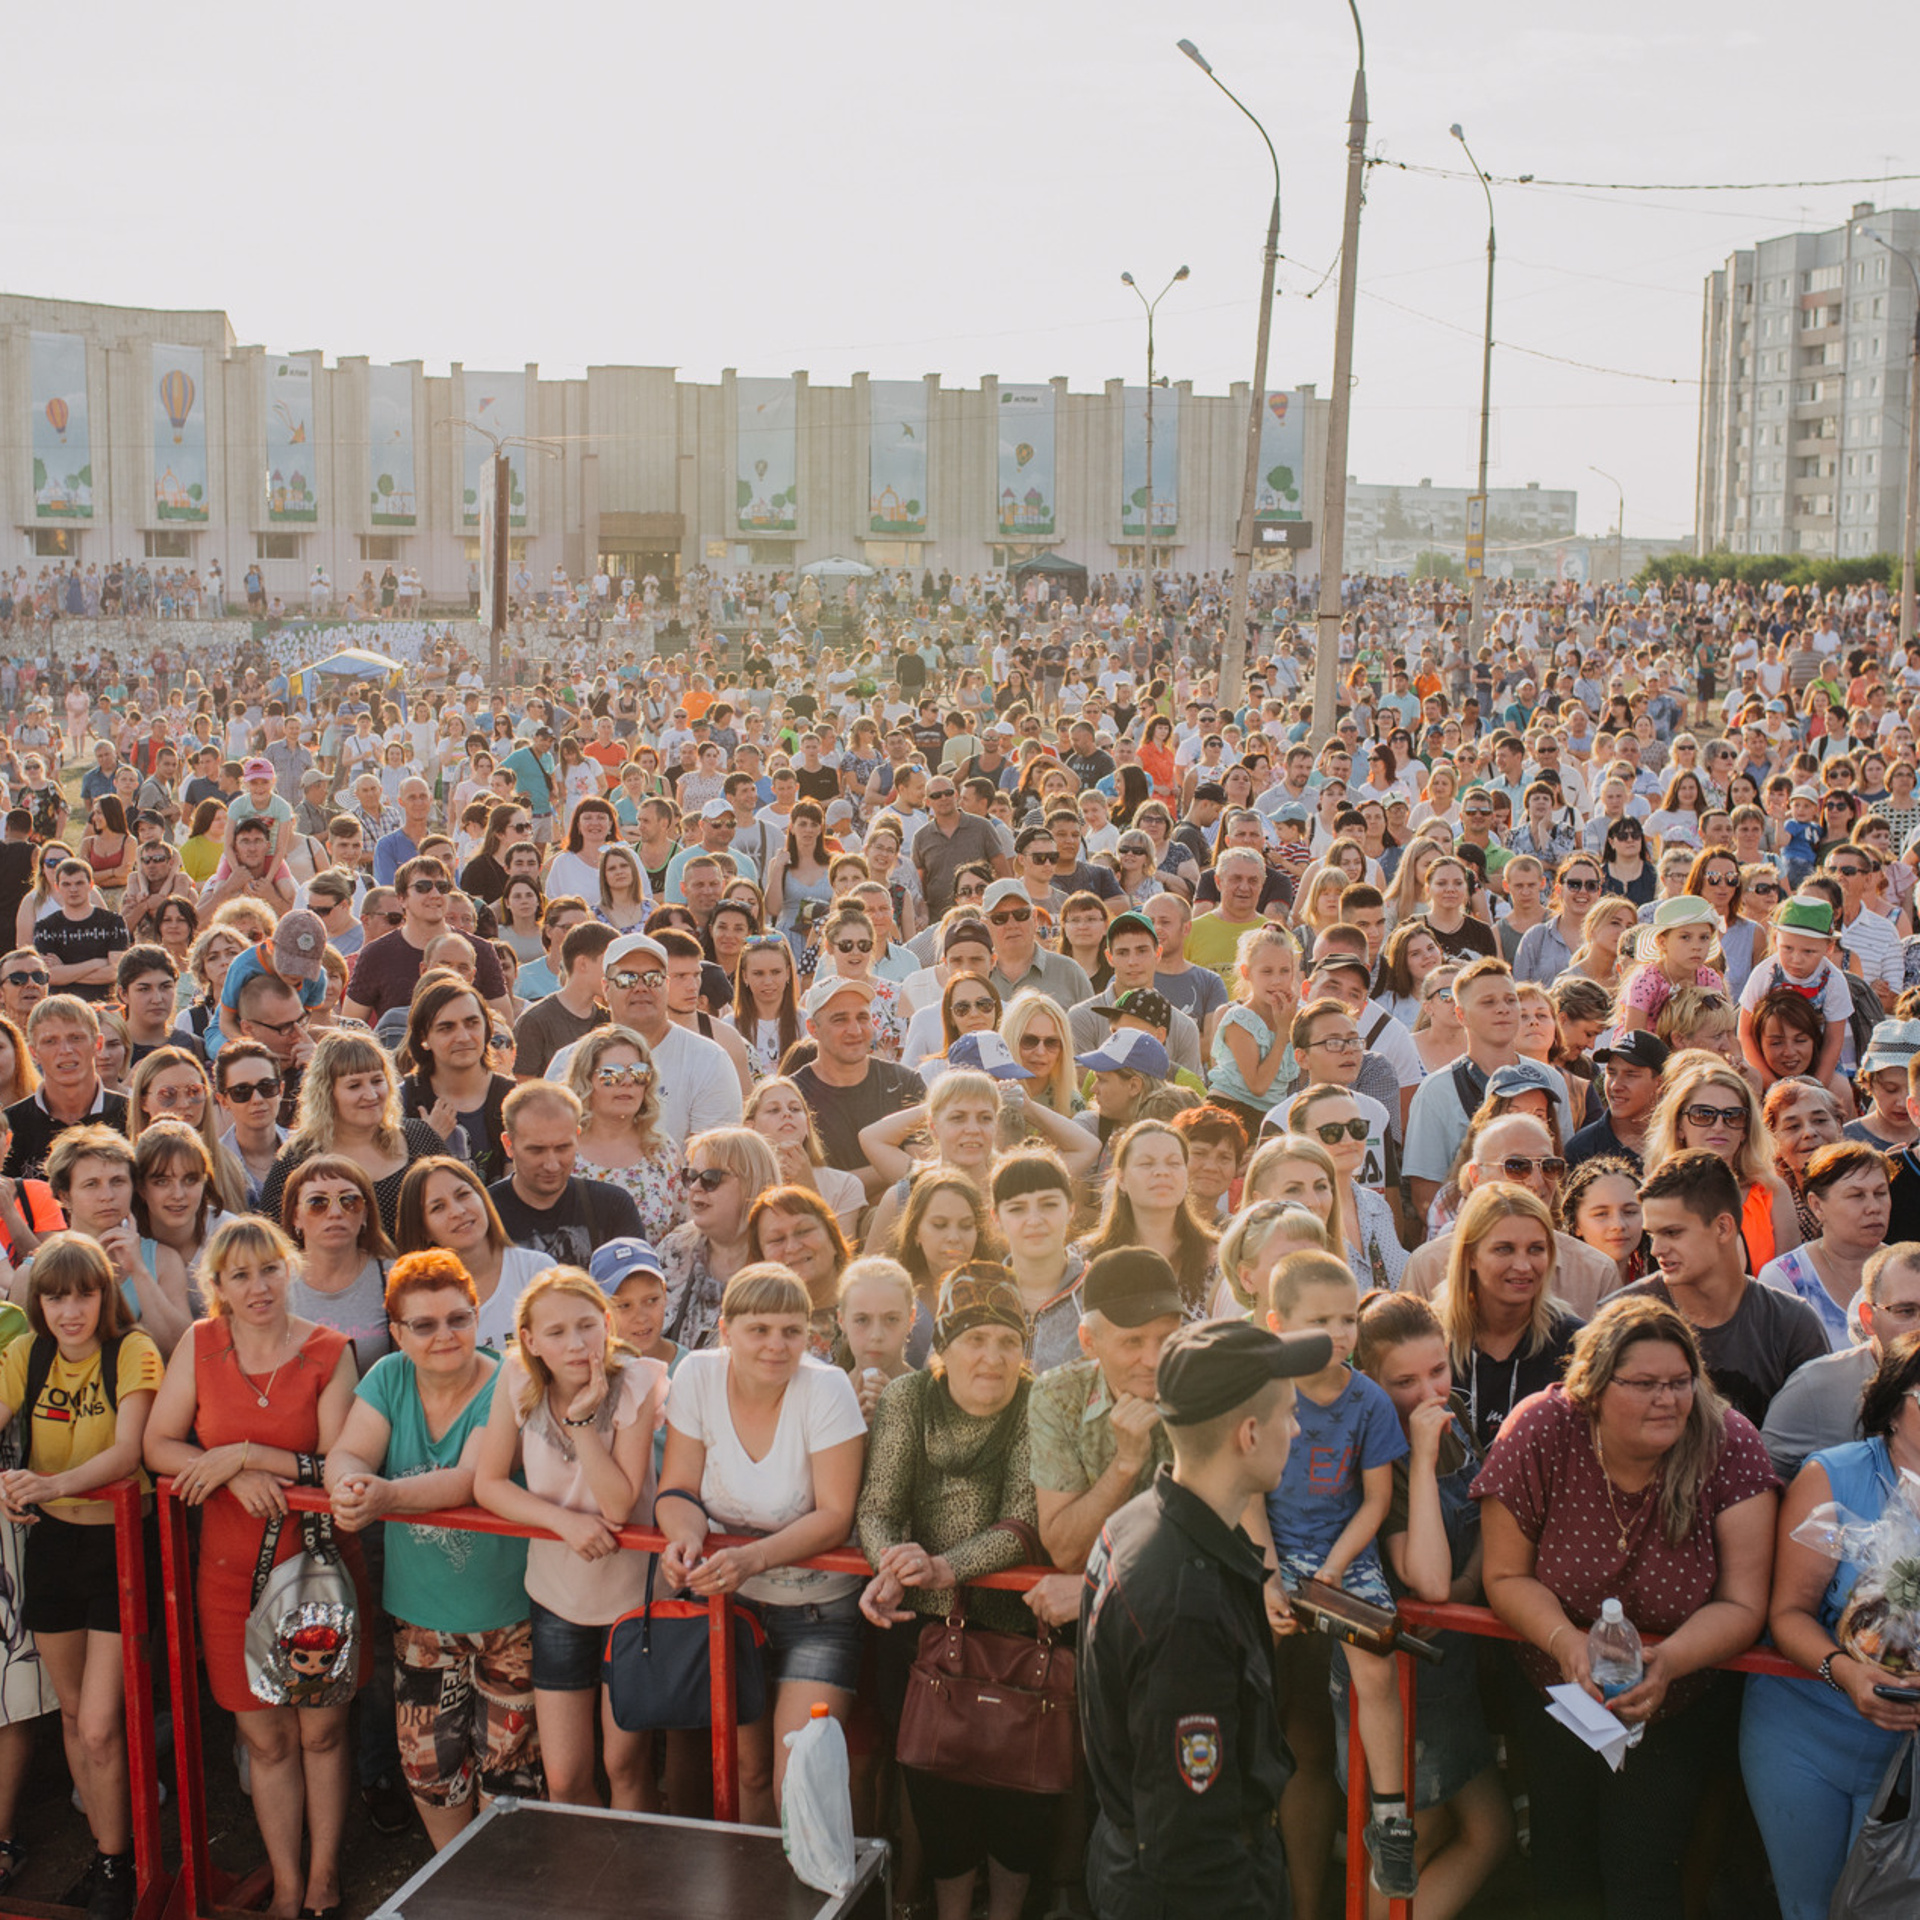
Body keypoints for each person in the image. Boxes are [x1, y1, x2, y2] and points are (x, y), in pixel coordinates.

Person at [1473, 1294, 1780, 1920]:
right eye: (1644, 1384)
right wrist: (1565, 1644)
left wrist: (1666, 1663)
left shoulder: (1728, 1441)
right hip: (1555, 1686)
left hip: (1677, 1694)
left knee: (1643, 1866)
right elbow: (1503, 1575)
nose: (1666, 1399)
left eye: (1679, 1382)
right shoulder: (1541, 1429)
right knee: (1561, 1862)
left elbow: (1745, 1602)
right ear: (1591, 1386)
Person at [143, 1216, 369, 1920]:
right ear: (218, 1287)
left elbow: (339, 1465)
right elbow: (157, 1444)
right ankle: (288, 1882)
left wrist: (245, 1455)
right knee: (263, 1736)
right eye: (239, 1275)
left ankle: (325, 1879)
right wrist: (223, 1472)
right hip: (227, 1572)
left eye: (269, 1269)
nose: (258, 1286)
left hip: (318, 1574)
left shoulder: (332, 1351)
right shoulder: (200, 1344)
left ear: (289, 1269)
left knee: (321, 1730)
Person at [1079, 1317, 1331, 1920]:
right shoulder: (1187, 1607)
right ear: (1248, 1434)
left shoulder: (1140, 1519)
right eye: (1289, 1415)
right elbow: (1188, 1839)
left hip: (1136, 1861)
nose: (1296, 1429)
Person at [856, 1271, 1079, 1920]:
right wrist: (890, 1564)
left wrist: (943, 1566)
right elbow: (878, 1507)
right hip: (924, 1636)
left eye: (1008, 1342)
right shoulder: (907, 1399)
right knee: (935, 1789)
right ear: (943, 1348)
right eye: (976, 1340)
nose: (992, 1357)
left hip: (1018, 1633)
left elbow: (1020, 1524)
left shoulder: (1037, 1403)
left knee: (1022, 1794)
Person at [323, 1249, 539, 1850]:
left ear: (477, 1317)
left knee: (509, 1775)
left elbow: (469, 1480)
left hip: (510, 1617)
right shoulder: (387, 1377)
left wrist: (384, 1493)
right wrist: (346, 1484)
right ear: (397, 1332)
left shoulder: (509, 1382)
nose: (445, 1335)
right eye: (424, 1324)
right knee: (429, 1772)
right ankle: (456, 1890)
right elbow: (348, 1449)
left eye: (458, 1319)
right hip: (420, 1620)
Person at [655, 1264, 867, 1823]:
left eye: (792, 1331)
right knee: (745, 1773)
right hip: (730, 1600)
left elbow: (836, 1516)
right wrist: (684, 1541)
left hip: (816, 1606)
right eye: (760, 1330)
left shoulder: (826, 1387)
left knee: (800, 1787)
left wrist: (751, 1557)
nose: (777, 1345)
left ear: (810, 1335)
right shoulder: (697, 1375)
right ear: (725, 1330)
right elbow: (677, 1488)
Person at [0, 1233, 163, 1920]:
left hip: (122, 1549)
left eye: (85, 1294)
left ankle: (127, 1870)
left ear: (107, 1295)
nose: (71, 1311)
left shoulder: (133, 1350)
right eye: (56, 1296)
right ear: (37, 1303)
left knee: (100, 1725)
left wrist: (45, 1485)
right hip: (55, 1548)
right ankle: (108, 1861)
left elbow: (128, 1453)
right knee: (73, 1716)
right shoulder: (25, 1353)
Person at [472, 1266, 665, 1811]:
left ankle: (635, 1883)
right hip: (557, 1594)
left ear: (607, 1324)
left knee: (624, 1765)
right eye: (555, 1333)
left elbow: (617, 1504)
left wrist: (582, 1425)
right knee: (564, 1773)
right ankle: (588, 1884)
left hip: (632, 1600)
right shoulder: (515, 1379)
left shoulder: (637, 1380)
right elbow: (488, 1483)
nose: (576, 1344)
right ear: (529, 1341)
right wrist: (563, 1522)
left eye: (586, 1326)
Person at [1255, 1249, 1417, 1900]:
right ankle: (1239, 1790)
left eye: (1348, 1318)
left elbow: (1375, 1500)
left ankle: (1390, 1816)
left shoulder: (1368, 1401)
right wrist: (1269, 1576)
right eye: (1320, 1319)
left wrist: (1331, 1569)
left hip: (1341, 1552)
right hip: (1270, 1548)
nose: (1341, 1333)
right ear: (1278, 1325)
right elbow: (1246, 1496)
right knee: (1250, 1646)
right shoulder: (1263, 1390)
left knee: (1375, 1662)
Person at [1744, 1331, 1920, 1920]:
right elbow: (1787, 1613)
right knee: (1808, 1907)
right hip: (1804, 1732)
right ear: (1894, 1405)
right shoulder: (1832, 1477)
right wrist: (1844, 1671)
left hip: (1909, 1751)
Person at [1351, 1291, 1513, 1920]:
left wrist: (1478, 1582)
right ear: (1367, 1381)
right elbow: (1429, 1581)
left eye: (1438, 1371)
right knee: (1436, 1842)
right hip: (1403, 1678)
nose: (1428, 1394)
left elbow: (1478, 1545)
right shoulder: (1376, 1446)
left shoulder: (1458, 1413)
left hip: (1451, 1670)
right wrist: (1419, 1458)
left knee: (1481, 1832)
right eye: (1404, 1381)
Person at [1029, 1247, 1182, 1571]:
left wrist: (1099, 1589)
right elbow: (1065, 1552)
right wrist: (1125, 1464)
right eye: (1133, 1342)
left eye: (1167, 1338)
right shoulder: (1058, 1396)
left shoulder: (1206, 1385)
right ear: (1088, 1342)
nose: (1153, 1360)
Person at [1436, 1183, 1583, 1449]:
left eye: (1536, 1249)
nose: (1523, 1266)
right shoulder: (1431, 1339)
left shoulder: (1576, 1345)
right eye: (1504, 1249)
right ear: (1470, 1256)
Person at [259, 1031, 445, 1240]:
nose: (371, 1095)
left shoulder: (420, 1137)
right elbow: (272, 1242)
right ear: (327, 1093)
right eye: (354, 1085)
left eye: (376, 1081)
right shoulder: (297, 1159)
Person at [393, 1157, 550, 1353]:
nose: (458, 1211)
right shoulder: (417, 1298)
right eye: (438, 1207)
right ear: (423, 1230)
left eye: (463, 1195)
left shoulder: (536, 1270)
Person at [484, 1082, 644, 1269]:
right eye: (536, 1150)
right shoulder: (483, 1215)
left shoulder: (613, 1206)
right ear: (508, 1145)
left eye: (562, 1148)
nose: (551, 1165)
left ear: (577, 1137)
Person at [655, 1126, 782, 1354]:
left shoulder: (782, 1258)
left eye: (710, 1178)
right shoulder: (675, 1248)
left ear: (753, 1185)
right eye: (691, 1176)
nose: (694, 1187)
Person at [1755, 1141, 1891, 1351]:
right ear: (1817, 1205)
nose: (1873, 1207)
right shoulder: (1784, 1279)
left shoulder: (1909, 1267)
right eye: (1856, 1196)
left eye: (1881, 1193)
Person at [3, 997, 130, 1181]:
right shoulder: (10, 1126)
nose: (65, 1050)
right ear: (34, 1053)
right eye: (50, 1041)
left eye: (76, 1038)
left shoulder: (132, 1116)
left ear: (98, 1045)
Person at [1564, 1030, 1669, 1170]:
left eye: (1631, 1075)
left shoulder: (1683, 1138)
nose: (1615, 1085)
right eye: (1611, 1073)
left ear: (1660, 1083)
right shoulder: (1582, 1149)